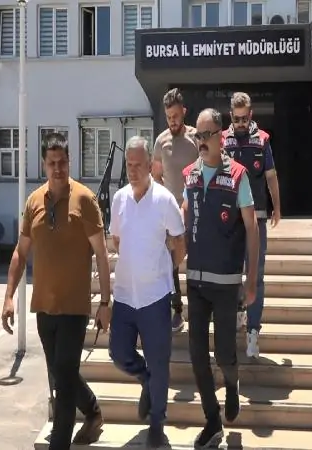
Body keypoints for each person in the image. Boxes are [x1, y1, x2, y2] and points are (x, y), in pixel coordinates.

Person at [1, 133, 112, 450]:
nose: (58, 168)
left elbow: (101, 254)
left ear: (69, 161)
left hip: (74, 308)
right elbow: (21, 252)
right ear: (43, 165)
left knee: (62, 384)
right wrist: (9, 297)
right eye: (52, 163)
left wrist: (105, 302)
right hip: (44, 308)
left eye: (62, 162)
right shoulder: (34, 201)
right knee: (62, 372)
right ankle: (93, 411)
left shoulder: (85, 200)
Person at [182, 109, 260, 448]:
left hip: (227, 283)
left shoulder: (238, 176)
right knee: (197, 355)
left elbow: (252, 230)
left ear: (221, 136)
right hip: (196, 281)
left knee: (225, 354)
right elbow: (185, 216)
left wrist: (251, 281)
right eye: (197, 136)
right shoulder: (190, 175)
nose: (201, 142)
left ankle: (231, 383)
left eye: (206, 135)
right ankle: (212, 420)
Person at [108, 136, 187, 448]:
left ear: (150, 166)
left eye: (138, 165)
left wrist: (164, 268)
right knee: (118, 353)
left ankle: (157, 422)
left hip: (155, 297)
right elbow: (116, 240)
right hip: (125, 296)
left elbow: (179, 242)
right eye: (129, 165)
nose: (133, 171)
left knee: (159, 361)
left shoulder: (164, 200)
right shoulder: (119, 199)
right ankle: (144, 379)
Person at [222, 92, 282, 359]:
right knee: (231, 271)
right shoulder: (222, 140)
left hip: (256, 218)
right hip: (230, 218)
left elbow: (271, 176)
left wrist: (277, 207)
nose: (241, 123)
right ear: (230, 116)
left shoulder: (263, 140)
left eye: (244, 118)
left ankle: (253, 331)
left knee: (256, 274)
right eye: (236, 119)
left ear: (251, 115)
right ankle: (238, 310)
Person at [152, 88, 199, 333]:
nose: (172, 121)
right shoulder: (161, 141)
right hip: (170, 212)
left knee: (198, 261)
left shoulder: (195, 137)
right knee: (171, 263)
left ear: (184, 112)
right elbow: (156, 176)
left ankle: (201, 310)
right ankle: (176, 310)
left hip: (196, 209)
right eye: (169, 116)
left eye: (176, 116)